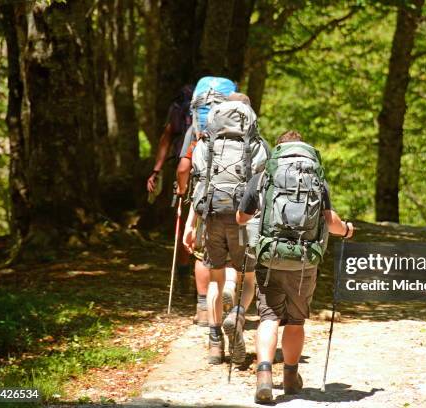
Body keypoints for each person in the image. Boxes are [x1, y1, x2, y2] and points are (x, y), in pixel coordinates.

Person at [235, 130, 354, 404]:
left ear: (278, 150)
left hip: (269, 256)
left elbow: (241, 218)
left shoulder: (265, 176)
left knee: (268, 317)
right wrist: (347, 230)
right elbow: (330, 222)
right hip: (304, 260)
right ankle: (290, 377)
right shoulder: (316, 179)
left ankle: (264, 375)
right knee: (296, 321)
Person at [183, 96, 268, 366]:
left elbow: (199, 185)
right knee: (249, 277)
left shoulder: (205, 145)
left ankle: (215, 343)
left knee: (214, 281)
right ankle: (239, 314)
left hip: (211, 216)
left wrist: (190, 224)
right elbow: (261, 189)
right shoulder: (257, 145)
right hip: (244, 219)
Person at [145, 85, 206, 320]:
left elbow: (166, 138)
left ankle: (184, 279)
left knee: (186, 225)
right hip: (222, 179)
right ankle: (209, 286)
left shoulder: (180, 109)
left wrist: (156, 170)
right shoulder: (224, 113)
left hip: (189, 172)